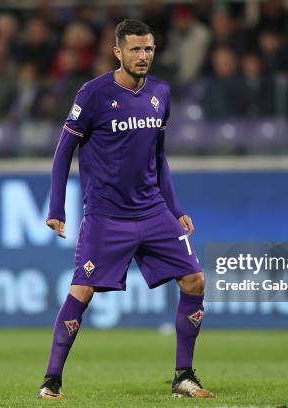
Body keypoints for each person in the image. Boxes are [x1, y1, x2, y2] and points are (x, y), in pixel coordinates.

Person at [38, 19, 213, 400]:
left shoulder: (161, 94)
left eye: (148, 49)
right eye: (135, 49)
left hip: (152, 212)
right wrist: (58, 207)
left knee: (195, 280)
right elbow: (63, 152)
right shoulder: (93, 94)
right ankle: (51, 382)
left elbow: (158, 156)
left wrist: (175, 207)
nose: (143, 56)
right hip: (106, 216)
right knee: (82, 290)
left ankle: (184, 376)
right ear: (117, 52)